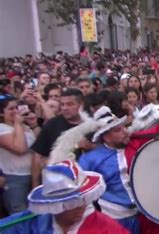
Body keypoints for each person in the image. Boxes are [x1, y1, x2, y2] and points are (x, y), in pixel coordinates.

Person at [78, 106, 159, 233]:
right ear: (106, 137)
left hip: (147, 211)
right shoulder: (91, 159)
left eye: (123, 127)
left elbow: (157, 130)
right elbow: (78, 188)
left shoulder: (134, 141)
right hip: (118, 218)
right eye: (118, 130)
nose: (125, 131)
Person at [0, 160, 128, 234]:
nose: (81, 206)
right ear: (56, 205)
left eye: (82, 199)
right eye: (71, 203)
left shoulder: (106, 228)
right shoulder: (33, 221)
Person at [30, 89, 84, 188]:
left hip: (85, 180)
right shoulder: (52, 125)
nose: (65, 108)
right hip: (58, 183)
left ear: (81, 105)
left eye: (70, 104)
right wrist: (35, 184)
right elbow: (38, 155)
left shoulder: (91, 124)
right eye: (62, 104)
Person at [0, 94, 36, 214]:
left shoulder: (24, 126)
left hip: (33, 175)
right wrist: (18, 125)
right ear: (1, 113)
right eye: (10, 109)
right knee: (20, 215)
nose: (15, 111)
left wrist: (33, 124)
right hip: (15, 179)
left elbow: (37, 146)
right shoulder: (2, 128)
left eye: (16, 108)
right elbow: (20, 148)